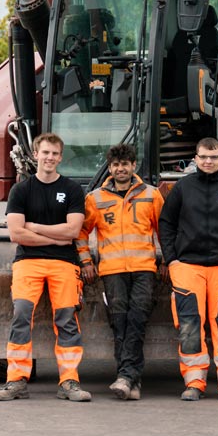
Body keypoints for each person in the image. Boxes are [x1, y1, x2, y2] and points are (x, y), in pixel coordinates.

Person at [0, 132, 91, 402]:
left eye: (55, 153)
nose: (50, 158)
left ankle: (69, 381)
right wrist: (54, 238)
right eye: (45, 152)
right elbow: (16, 234)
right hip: (28, 263)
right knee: (21, 316)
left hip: (64, 264)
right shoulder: (21, 190)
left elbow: (73, 230)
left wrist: (34, 228)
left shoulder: (71, 190)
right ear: (35, 154)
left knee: (67, 319)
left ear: (60, 157)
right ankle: (16, 381)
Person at [158, 137, 218, 404]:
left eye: (213, 157)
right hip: (188, 266)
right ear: (195, 159)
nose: (208, 161)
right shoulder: (183, 187)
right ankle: (194, 382)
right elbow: (166, 224)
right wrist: (172, 259)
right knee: (189, 324)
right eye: (203, 157)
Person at [77, 143, 165, 400]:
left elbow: (165, 230)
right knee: (120, 322)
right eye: (116, 165)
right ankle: (130, 380)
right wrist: (86, 262)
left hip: (143, 269)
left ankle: (126, 377)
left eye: (125, 164)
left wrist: (166, 261)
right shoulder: (96, 198)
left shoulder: (151, 195)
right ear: (110, 167)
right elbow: (81, 232)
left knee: (137, 319)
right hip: (112, 271)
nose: (120, 169)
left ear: (133, 166)